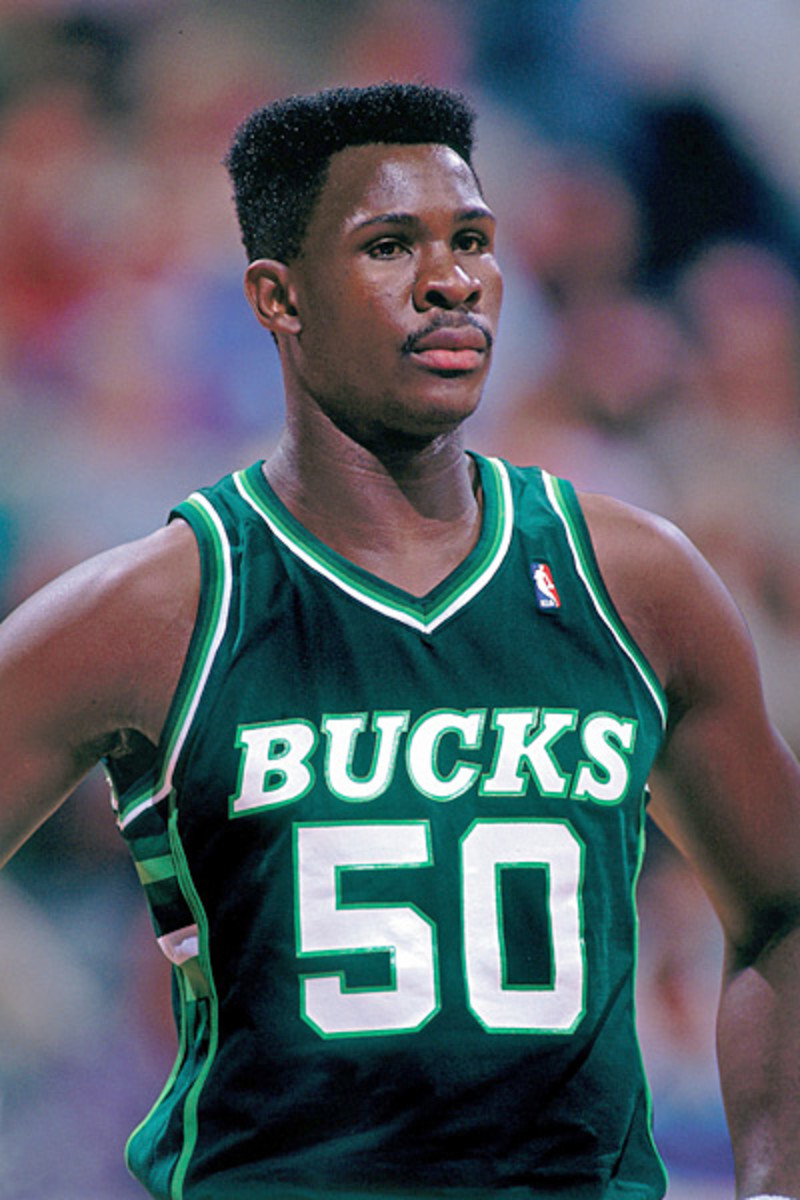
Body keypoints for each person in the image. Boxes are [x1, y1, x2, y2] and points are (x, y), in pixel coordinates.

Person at [1, 81, 799, 1200]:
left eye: (470, 240)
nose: (450, 279)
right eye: (389, 246)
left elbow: (782, 911)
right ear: (277, 298)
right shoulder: (159, 605)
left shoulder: (635, 580)